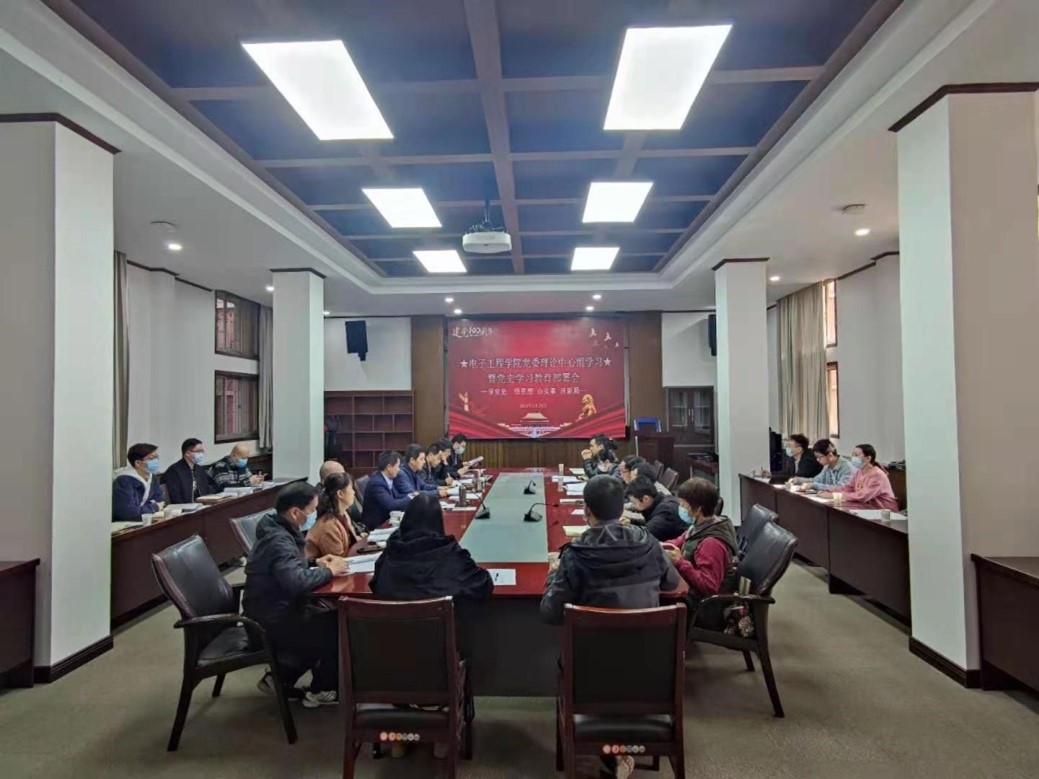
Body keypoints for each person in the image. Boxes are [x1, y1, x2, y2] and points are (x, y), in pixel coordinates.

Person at [242, 482, 347, 707]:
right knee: (333, 626)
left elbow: (286, 567)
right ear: (295, 512)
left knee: (326, 616)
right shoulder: (279, 540)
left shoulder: (277, 528)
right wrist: (329, 571)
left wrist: (314, 562)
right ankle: (323, 689)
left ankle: (280, 678)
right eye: (312, 510)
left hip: (270, 607)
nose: (315, 514)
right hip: (269, 618)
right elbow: (295, 581)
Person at [540, 475, 680, 625]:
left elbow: (551, 613)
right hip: (645, 636)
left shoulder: (575, 556)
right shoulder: (648, 543)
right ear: (621, 510)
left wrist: (553, 572)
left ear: (586, 510)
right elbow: (671, 583)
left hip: (592, 638)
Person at [370, 492, 493, 602]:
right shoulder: (449, 553)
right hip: (444, 620)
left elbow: (375, 585)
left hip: (391, 620)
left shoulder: (391, 553)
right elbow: (483, 584)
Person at [661, 478, 739, 630]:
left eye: (683, 504)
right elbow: (679, 541)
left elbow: (708, 586)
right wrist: (655, 545)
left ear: (697, 509)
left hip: (704, 608)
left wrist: (680, 562)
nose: (680, 508)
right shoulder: (700, 526)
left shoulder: (711, 543)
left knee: (657, 596)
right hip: (693, 594)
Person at [306, 472, 373, 559]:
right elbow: (337, 560)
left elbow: (350, 543)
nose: (354, 492)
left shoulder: (344, 514)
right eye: (351, 489)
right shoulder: (328, 525)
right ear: (340, 494)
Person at [820, 444, 898, 510]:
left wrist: (834, 495)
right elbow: (848, 488)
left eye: (856, 455)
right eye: (853, 455)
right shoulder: (859, 472)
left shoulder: (877, 475)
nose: (853, 458)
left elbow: (862, 496)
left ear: (868, 458)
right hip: (866, 509)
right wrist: (829, 490)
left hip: (884, 512)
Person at [112, 443, 165, 522]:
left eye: (157, 458)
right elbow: (128, 513)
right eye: (151, 458)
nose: (156, 461)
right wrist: (154, 507)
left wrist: (146, 508)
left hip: (146, 521)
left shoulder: (152, 478)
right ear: (138, 463)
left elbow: (160, 501)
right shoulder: (124, 481)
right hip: (124, 524)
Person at [361, 451, 415, 528]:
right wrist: (410, 498)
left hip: (386, 519)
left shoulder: (386, 478)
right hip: (377, 525)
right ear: (389, 467)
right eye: (398, 466)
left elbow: (396, 496)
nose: (399, 470)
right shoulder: (377, 483)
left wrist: (411, 496)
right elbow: (391, 505)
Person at [624, 477, 687, 541]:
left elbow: (645, 535)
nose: (633, 506)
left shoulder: (666, 511)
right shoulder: (662, 501)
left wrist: (624, 529)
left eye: (634, 502)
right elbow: (651, 523)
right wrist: (630, 522)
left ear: (646, 499)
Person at [164, 438, 220, 504]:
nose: (201, 454)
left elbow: (212, 485)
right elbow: (175, 496)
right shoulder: (174, 471)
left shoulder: (199, 469)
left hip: (203, 505)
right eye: (198, 451)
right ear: (187, 453)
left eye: (202, 451)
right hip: (185, 507)